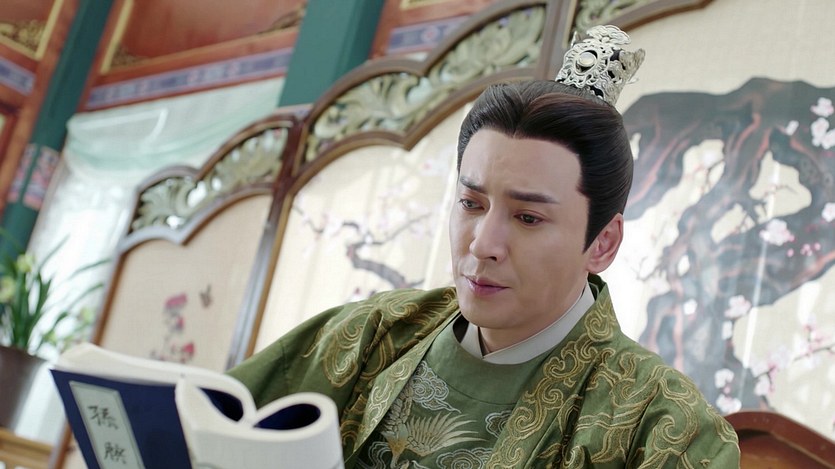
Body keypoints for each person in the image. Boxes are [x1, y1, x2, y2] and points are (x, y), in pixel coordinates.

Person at [228, 25, 740, 467]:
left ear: (602, 243)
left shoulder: (664, 426)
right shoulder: (372, 335)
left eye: (528, 217)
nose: (484, 244)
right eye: (471, 204)